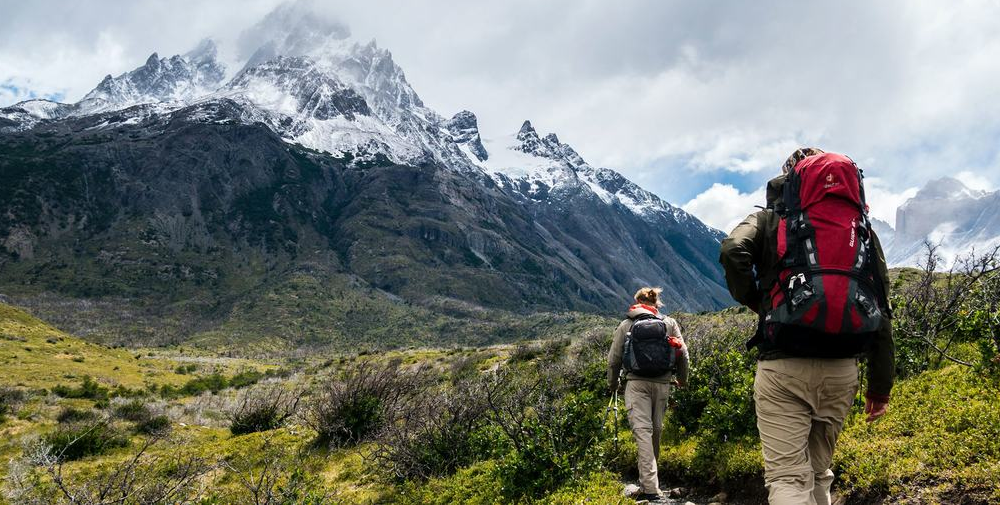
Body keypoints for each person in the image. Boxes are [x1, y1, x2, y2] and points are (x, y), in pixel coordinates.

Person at [719, 148, 895, 505]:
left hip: (784, 366)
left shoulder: (772, 220)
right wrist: (880, 387)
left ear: (791, 179)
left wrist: (755, 300)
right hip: (842, 371)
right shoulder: (861, 229)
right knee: (818, 472)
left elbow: (733, 249)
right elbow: (881, 307)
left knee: (787, 478)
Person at [607, 287, 689, 502]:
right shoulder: (669, 323)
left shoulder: (627, 324)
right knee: (656, 431)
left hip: (636, 384)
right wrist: (682, 379)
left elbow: (614, 359)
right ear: (657, 303)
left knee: (642, 432)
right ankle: (650, 484)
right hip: (663, 384)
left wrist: (613, 384)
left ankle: (650, 488)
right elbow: (683, 353)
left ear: (636, 302)